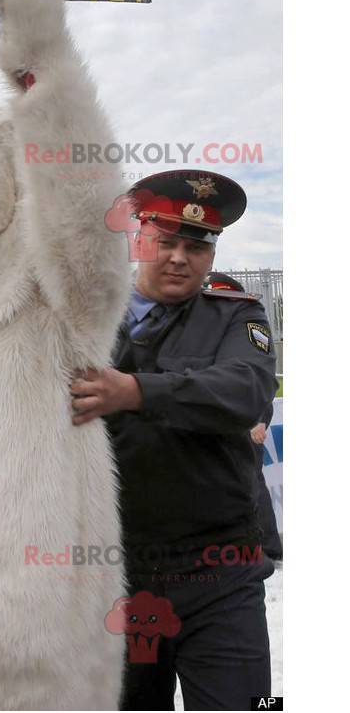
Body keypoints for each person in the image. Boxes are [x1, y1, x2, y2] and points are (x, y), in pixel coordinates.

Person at [70, 170, 278, 710]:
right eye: (166, 242)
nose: (180, 258)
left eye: (195, 247)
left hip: (220, 574)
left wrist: (136, 391)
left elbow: (247, 391)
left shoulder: (236, 315)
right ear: (140, 239)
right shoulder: (88, 323)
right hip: (117, 573)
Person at [204, 272, 282, 561]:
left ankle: (268, 548)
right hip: (215, 425)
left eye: (223, 300)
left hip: (245, 424)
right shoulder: (204, 333)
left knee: (251, 486)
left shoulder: (249, 328)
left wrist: (258, 420)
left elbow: (262, 381)